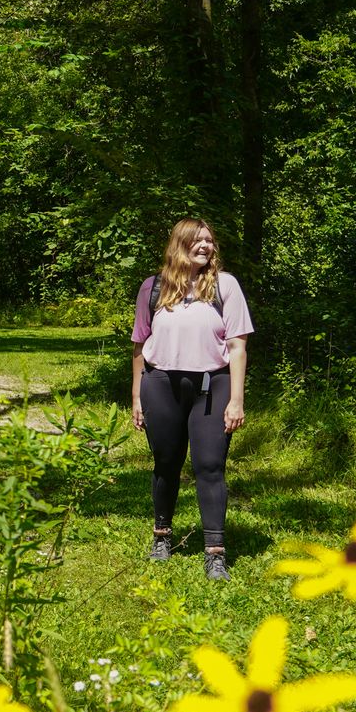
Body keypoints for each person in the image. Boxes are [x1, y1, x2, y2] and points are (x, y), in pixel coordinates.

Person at [130, 218, 253, 581]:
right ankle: (162, 536)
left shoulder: (225, 286)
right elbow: (139, 345)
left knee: (210, 465)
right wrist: (136, 396)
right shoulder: (152, 288)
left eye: (210, 241)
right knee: (166, 462)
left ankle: (215, 552)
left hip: (211, 387)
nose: (205, 246)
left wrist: (237, 399)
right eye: (198, 240)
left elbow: (237, 346)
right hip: (160, 383)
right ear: (179, 244)